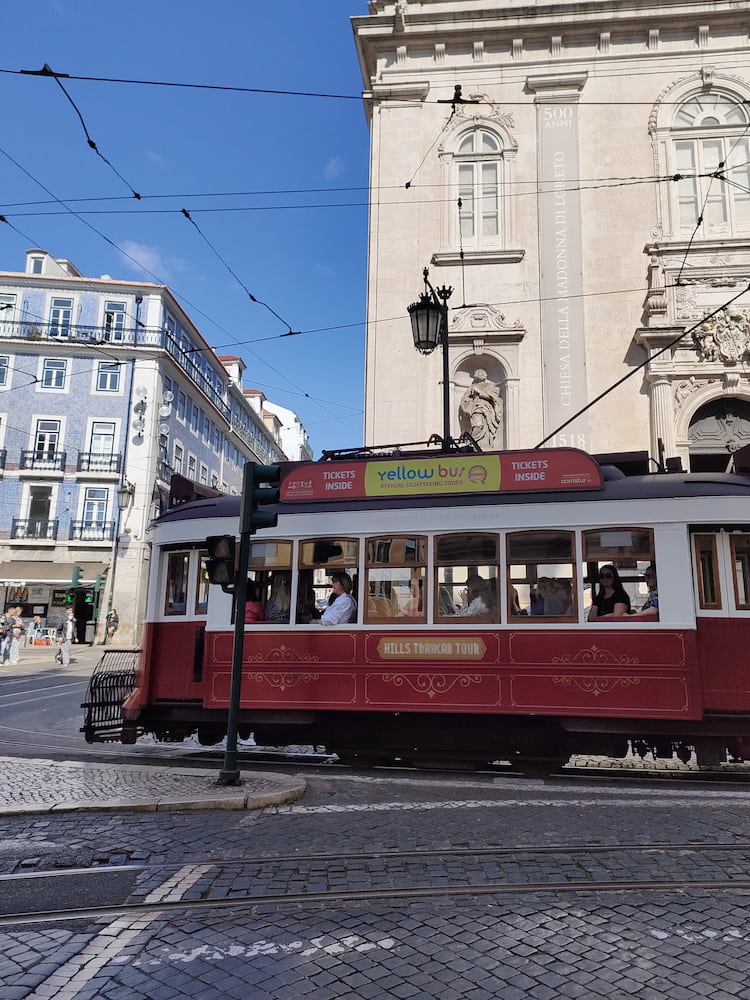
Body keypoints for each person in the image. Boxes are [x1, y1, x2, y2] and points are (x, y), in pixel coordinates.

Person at [458, 369, 503, 448]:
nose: (482, 375)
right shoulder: (473, 386)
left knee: (486, 428)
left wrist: (479, 392)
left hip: (488, 409)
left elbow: (493, 397)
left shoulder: (490, 386)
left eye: (483, 373)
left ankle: (482, 444)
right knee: (478, 425)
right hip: (476, 408)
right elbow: (465, 399)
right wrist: (466, 407)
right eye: (479, 374)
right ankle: (473, 443)